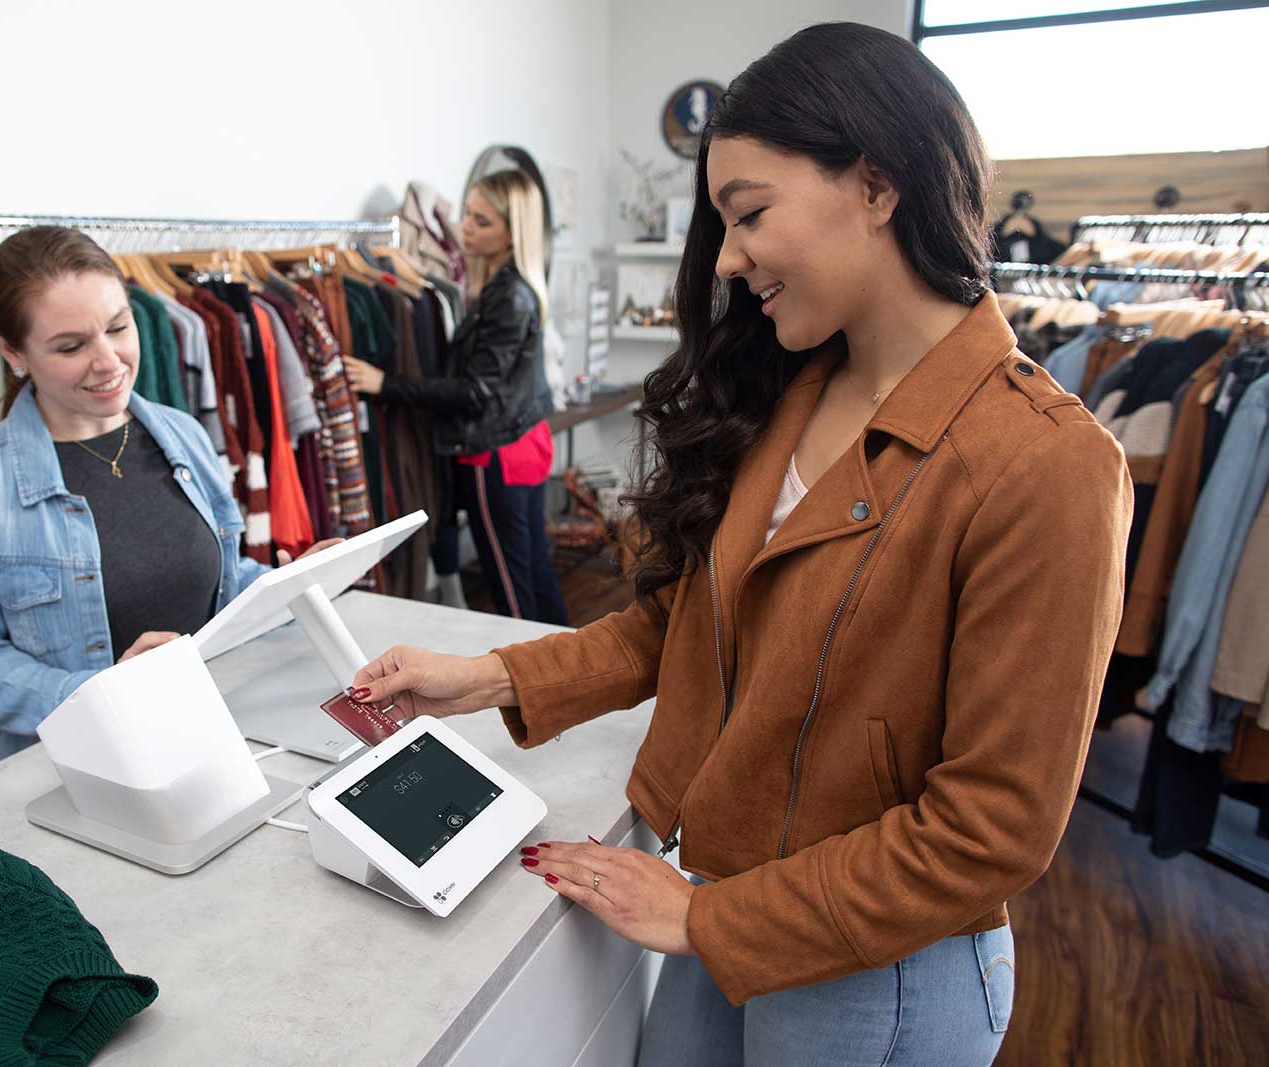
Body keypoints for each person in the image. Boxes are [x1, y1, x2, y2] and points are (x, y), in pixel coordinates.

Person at [347, 23, 1132, 1067]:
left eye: (748, 213)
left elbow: (990, 827)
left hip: (876, 968)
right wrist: (485, 674)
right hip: (728, 900)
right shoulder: (789, 391)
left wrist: (702, 919)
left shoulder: (1043, 464)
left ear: (877, 184)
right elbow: (686, 627)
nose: (726, 257)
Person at [0, 226, 334, 774]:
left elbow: (217, 582)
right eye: (71, 346)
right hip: (66, 773)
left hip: (204, 743)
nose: (109, 360)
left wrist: (287, 584)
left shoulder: (181, 434)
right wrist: (99, 692)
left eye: (118, 327)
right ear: (10, 350)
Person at [343, 169, 568, 625]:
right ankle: (573, 674)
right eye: (467, 214)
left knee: (509, 587)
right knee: (533, 572)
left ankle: (538, 683)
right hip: (520, 440)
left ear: (511, 231)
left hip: (496, 454)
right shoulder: (514, 286)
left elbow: (476, 390)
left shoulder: (508, 296)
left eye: (481, 222)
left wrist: (385, 384)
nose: (465, 227)